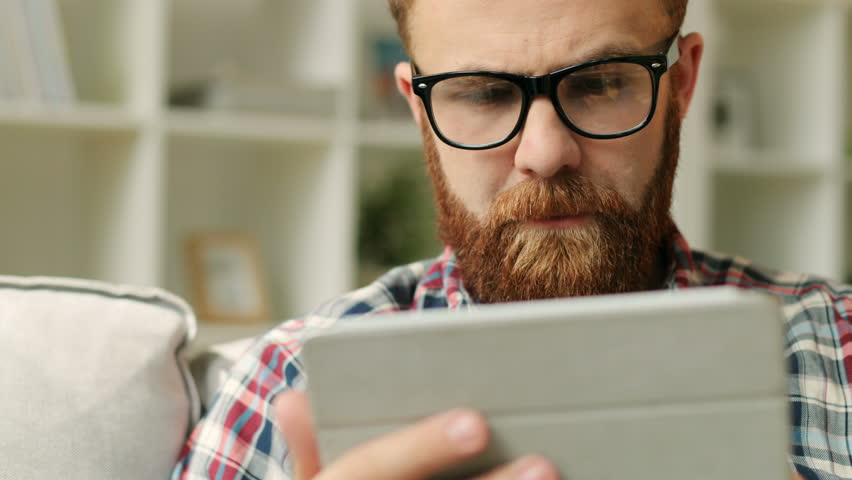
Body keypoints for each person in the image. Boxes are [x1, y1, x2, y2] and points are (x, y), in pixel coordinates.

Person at [172, 0, 850, 478]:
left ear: (682, 84)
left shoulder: (841, 352)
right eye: (484, 94)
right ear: (420, 110)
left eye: (601, 83)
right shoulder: (289, 382)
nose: (546, 152)